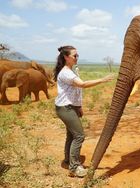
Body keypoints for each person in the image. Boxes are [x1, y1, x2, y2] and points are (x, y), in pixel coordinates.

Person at [54, 45, 114, 177]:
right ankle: (74, 167)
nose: (77, 58)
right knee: (79, 135)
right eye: (74, 56)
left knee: (71, 135)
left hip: (71, 107)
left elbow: (76, 92)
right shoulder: (66, 72)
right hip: (65, 108)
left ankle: (68, 159)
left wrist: (79, 107)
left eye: (77, 55)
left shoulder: (71, 70)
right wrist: (102, 80)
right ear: (66, 57)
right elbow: (82, 85)